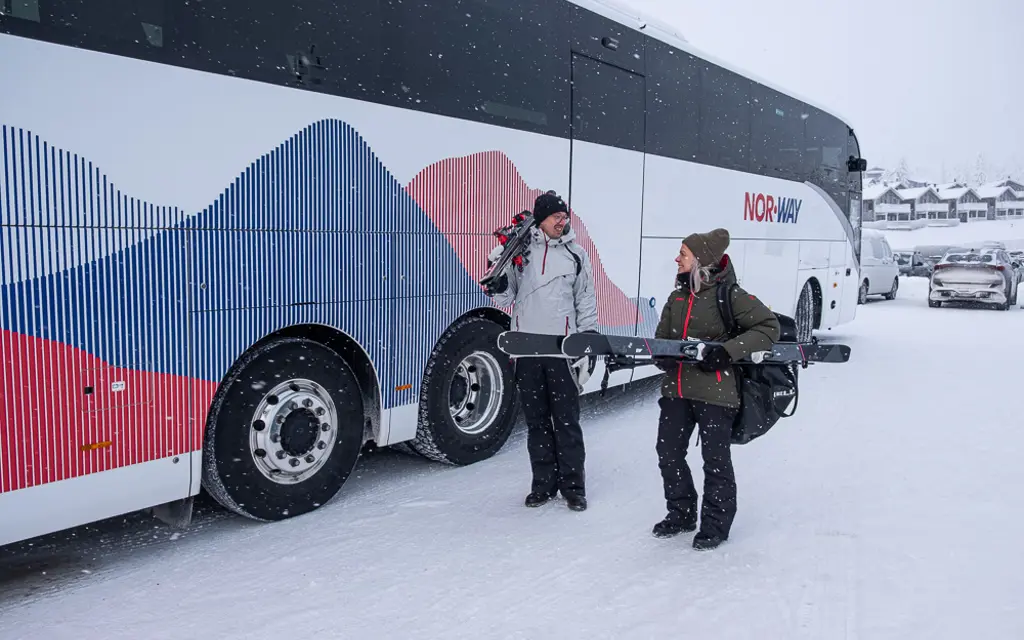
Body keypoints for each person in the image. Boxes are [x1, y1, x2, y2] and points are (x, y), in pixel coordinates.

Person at [651, 228, 780, 550]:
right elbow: (662, 337)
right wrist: (662, 356)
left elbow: (769, 327)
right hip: (677, 389)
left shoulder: (730, 295)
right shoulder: (677, 296)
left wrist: (728, 351)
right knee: (668, 453)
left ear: (701, 260)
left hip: (716, 393)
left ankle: (716, 524)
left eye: (683, 253)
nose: (677, 259)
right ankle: (680, 513)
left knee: (715, 460)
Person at [484, 191, 599, 512]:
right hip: (526, 351)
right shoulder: (521, 254)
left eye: (564, 217)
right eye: (556, 217)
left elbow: (585, 301)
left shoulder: (576, 255)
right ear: (541, 219)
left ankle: (573, 487)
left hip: (562, 352)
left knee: (567, 422)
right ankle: (543, 485)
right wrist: (498, 282)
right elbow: (506, 300)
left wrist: (586, 345)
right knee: (537, 424)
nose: (562, 222)